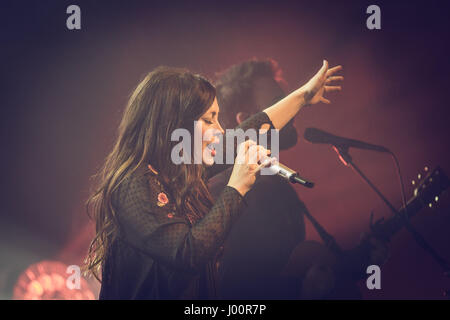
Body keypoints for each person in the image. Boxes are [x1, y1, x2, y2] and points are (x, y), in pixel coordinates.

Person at [84, 61, 343, 299]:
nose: (220, 130)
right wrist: (238, 185)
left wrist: (303, 96)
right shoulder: (133, 183)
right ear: (175, 126)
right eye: (209, 120)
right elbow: (187, 253)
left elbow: (251, 130)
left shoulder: (181, 171)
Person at [209, 59, 311, 299]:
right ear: (246, 120)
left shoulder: (280, 187)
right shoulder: (227, 198)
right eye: (278, 104)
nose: (292, 110)